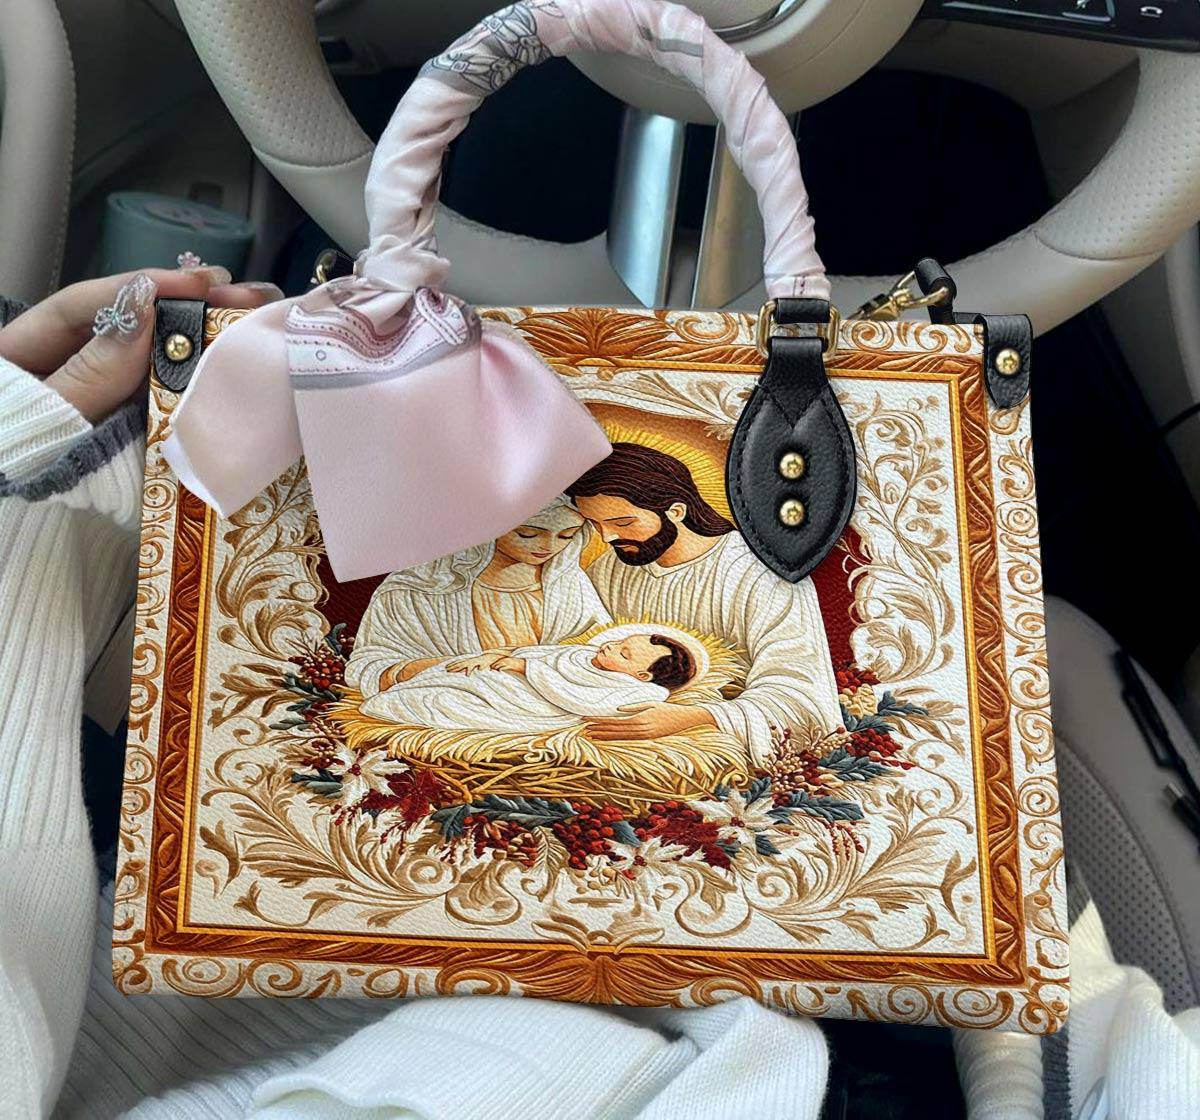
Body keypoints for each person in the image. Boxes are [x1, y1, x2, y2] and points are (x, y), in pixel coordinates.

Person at [4, 271, 1199, 1119]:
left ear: (672, 504)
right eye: (586, 526)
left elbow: (771, 689)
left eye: (613, 524)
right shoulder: (520, 567)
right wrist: (509, 647)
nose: (596, 543)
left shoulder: (737, 573)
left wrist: (687, 710)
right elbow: (465, 658)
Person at [568, 442, 842, 763]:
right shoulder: (609, 570)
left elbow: (801, 694)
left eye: (623, 523)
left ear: (676, 511)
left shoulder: (761, 571)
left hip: (720, 749)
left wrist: (697, 717)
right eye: (595, 524)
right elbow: (576, 651)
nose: (607, 538)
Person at [345, 497, 610, 698]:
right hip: (447, 705)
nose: (549, 546)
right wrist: (446, 669)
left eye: (566, 536)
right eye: (528, 533)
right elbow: (369, 666)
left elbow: (602, 654)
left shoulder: (569, 585)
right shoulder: (417, 589)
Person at [357, 628, 699, 735]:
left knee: (448, 703)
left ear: (641, 675)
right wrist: (497, 657)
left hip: (527, 706)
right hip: (504, 680)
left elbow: (579, 700)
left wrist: (526, 669)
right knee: (456, 672)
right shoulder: (582, 654)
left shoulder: (634, 691)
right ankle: (404, 685)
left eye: (623, 653)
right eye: (619, 641)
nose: (610, 646)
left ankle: (395, 702)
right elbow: (539, 653)